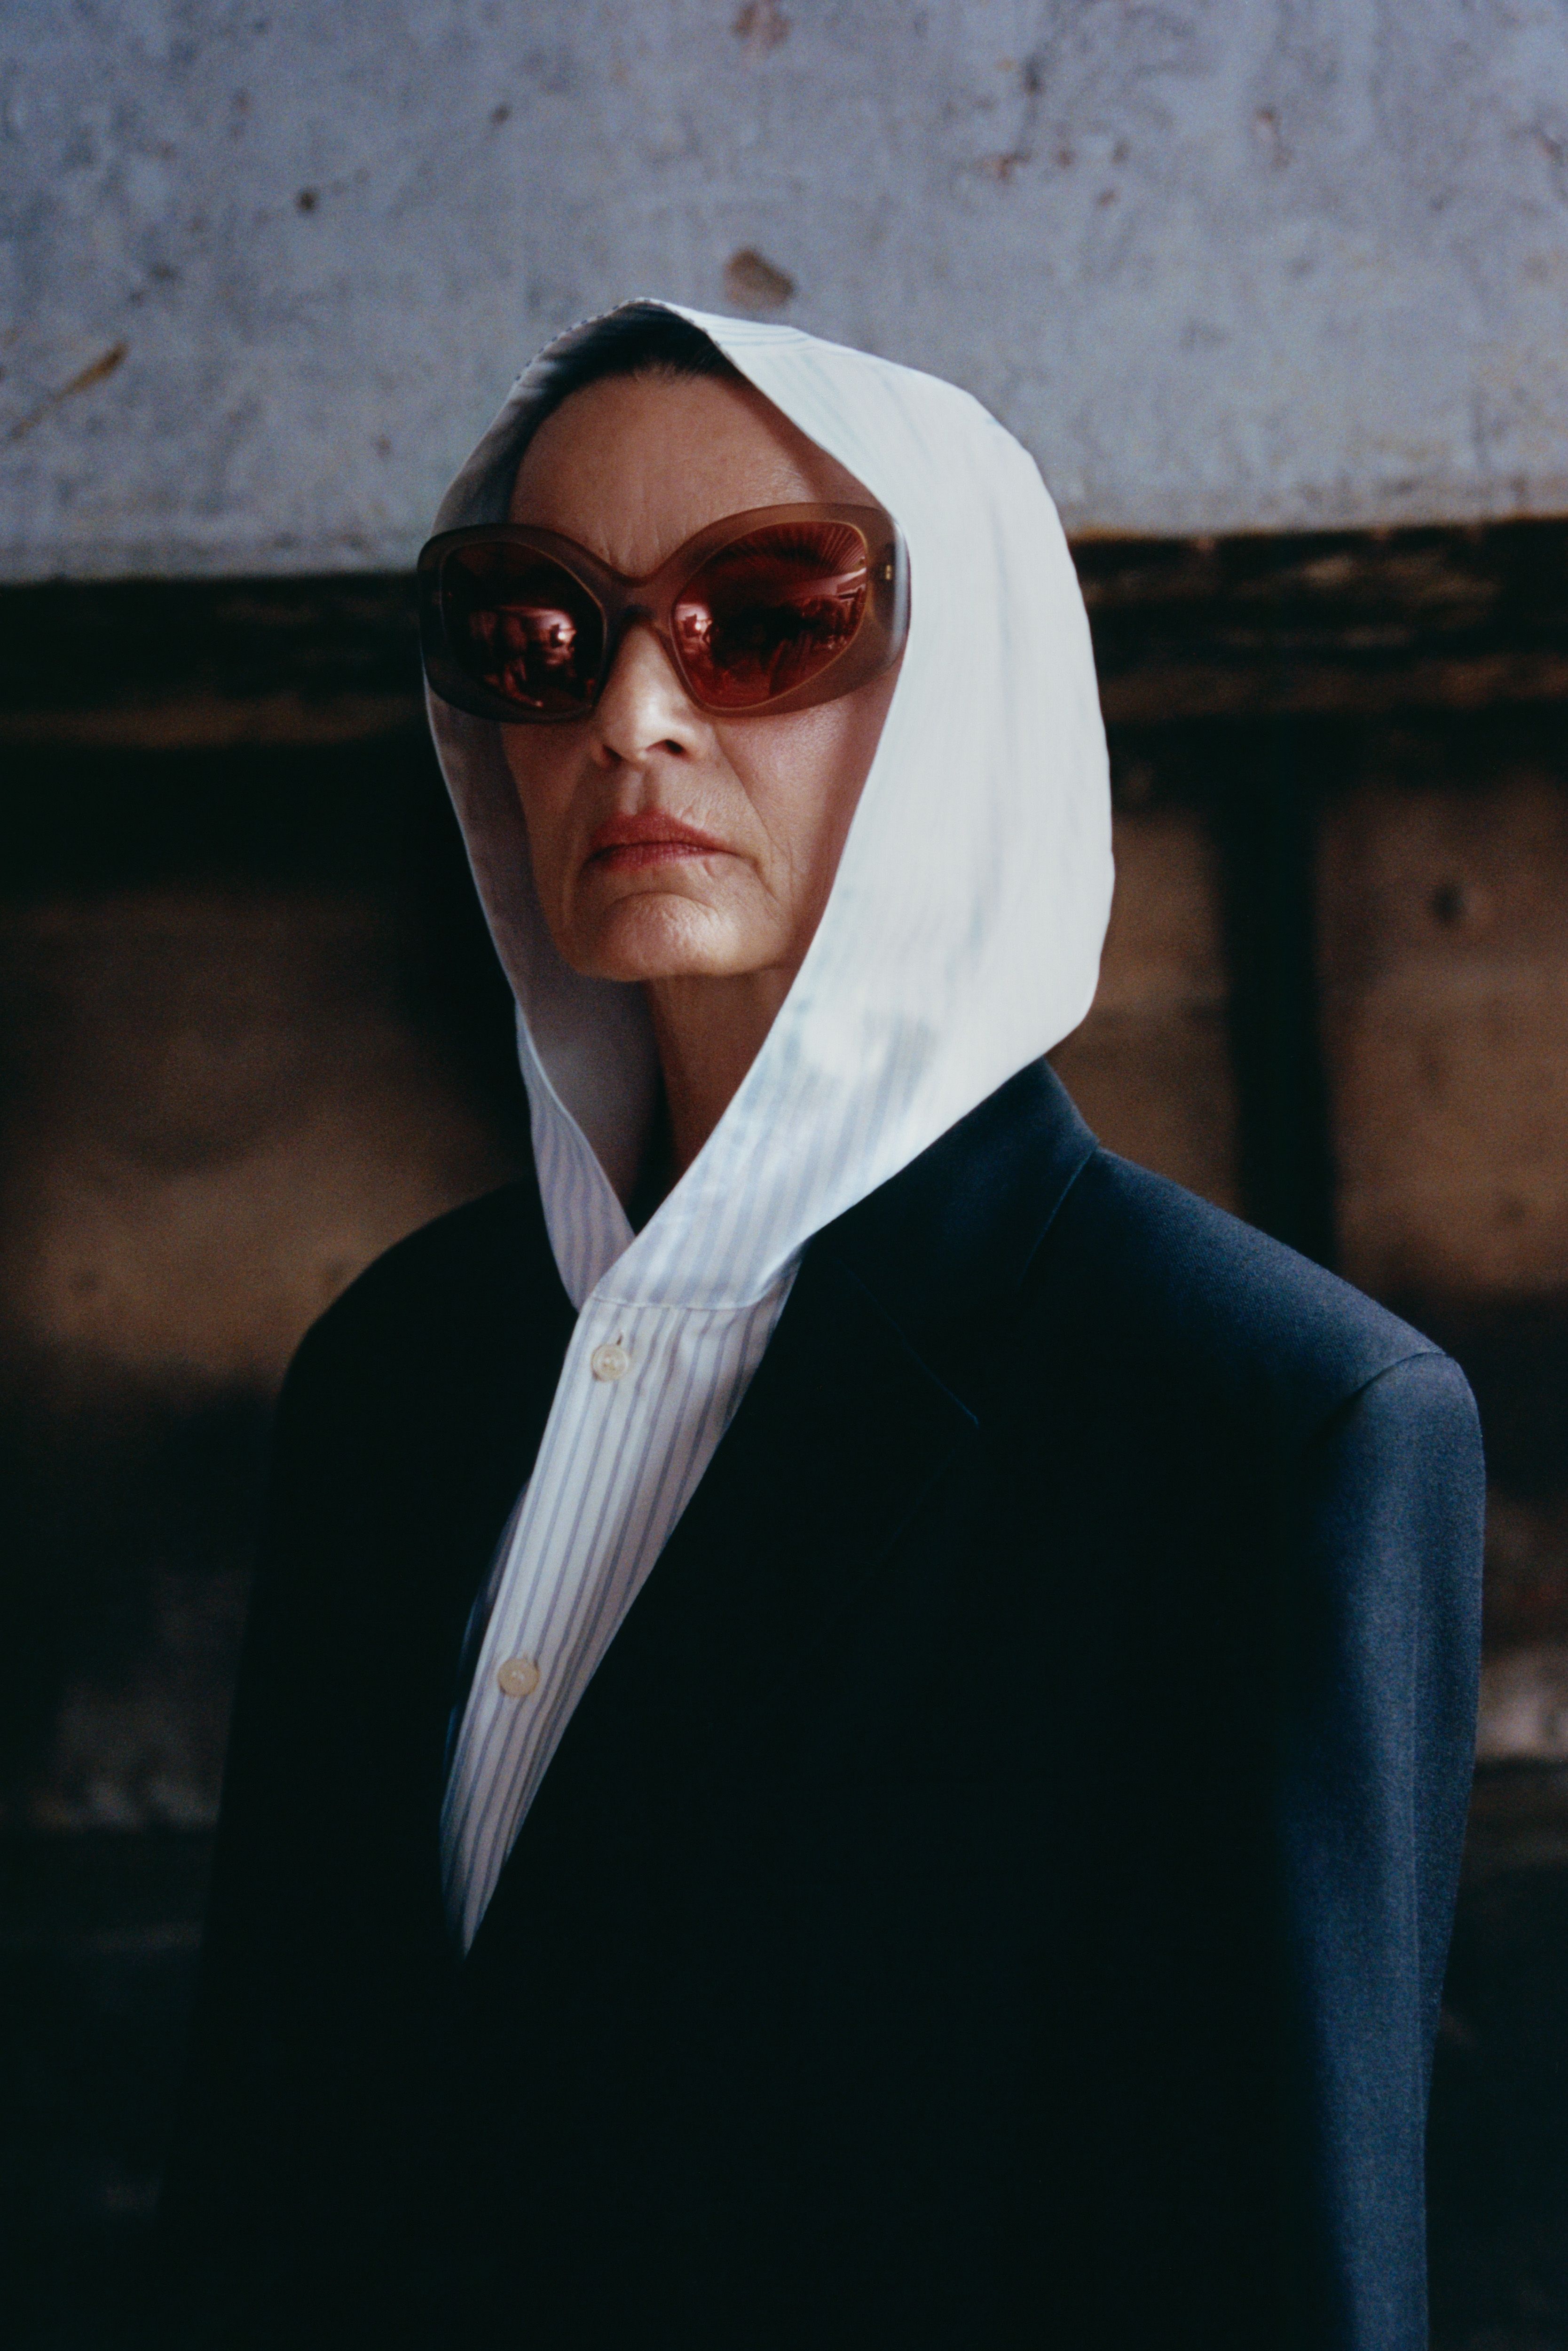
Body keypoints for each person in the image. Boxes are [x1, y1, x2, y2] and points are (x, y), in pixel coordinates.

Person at [157, 302, 1484, 2350]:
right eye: (539, 630)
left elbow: (1277, 2284)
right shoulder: (396, 1365)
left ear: (969, 690)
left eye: (765, 618)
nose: (629, 717)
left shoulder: (1267, 1424)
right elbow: (269, 2168)